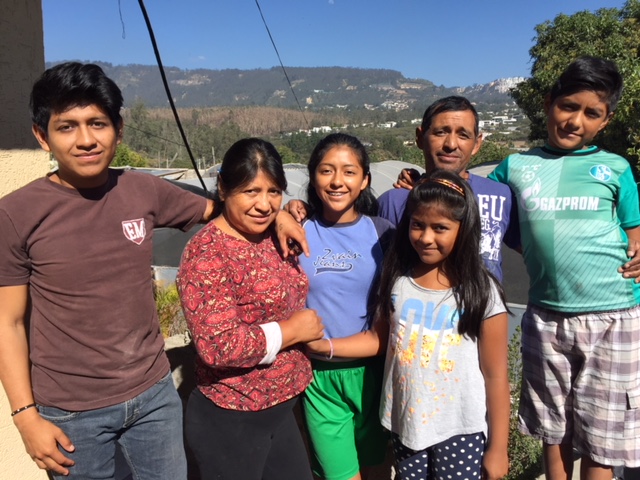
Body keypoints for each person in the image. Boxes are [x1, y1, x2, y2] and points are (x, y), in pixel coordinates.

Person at [0, 62, 306, 479]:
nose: (86, 139)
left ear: (119, 130)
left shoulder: (141, 189)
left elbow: (223, 208)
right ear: (42, 136)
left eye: (97, 123)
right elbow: (8, 322)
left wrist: (278, 213)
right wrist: (24, 416)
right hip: (73, 412)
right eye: (67, 127)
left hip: (154, 398)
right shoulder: (17, 214)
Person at [488, 56, 640, 479]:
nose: (575, 121)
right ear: (549, 103)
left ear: (606, 120)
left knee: (601, 438)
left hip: (614, 316)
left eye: (591, 113)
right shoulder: (515, 166)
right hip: (546, 317)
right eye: (568, 106)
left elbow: (635, 232)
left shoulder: (616, 168)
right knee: (552, 431)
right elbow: (479, 202)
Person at [308, 169, 510, 480]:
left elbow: (496, 376)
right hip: (406, 427)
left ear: (464, 228)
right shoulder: (398, 281)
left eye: (440, 228)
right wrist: (324, 346)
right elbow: (378, 337)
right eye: (418, 225)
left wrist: (498, 448)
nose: (426, 238)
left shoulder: (482, 291)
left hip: (460, 431)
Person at [176, 138, 325, 480]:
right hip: (234, 417)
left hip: (280, 409)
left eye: (274, 192)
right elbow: (218, 345)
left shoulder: (271, 234)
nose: (264, 204)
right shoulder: (207, 253)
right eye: (250, 191)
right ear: (223, 188)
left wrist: (283, 215)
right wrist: (292, 331)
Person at [297, 133, 393, 480]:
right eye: (326, 170)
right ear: (313, 177)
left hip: (374, 375)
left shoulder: (383, 233)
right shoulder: (297, 231)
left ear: (364, 180)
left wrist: (327, 345)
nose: (337, 181)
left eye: (349, 171)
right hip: (319, 380)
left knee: (376, 471)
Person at [378, 96, 518, 281]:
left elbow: (539, 253)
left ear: (477, 144)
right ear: (420, 137)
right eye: (441, 132)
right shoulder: (394, 201)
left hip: (485, 301)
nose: (451, 145)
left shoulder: (501, 195)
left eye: (463, 135)